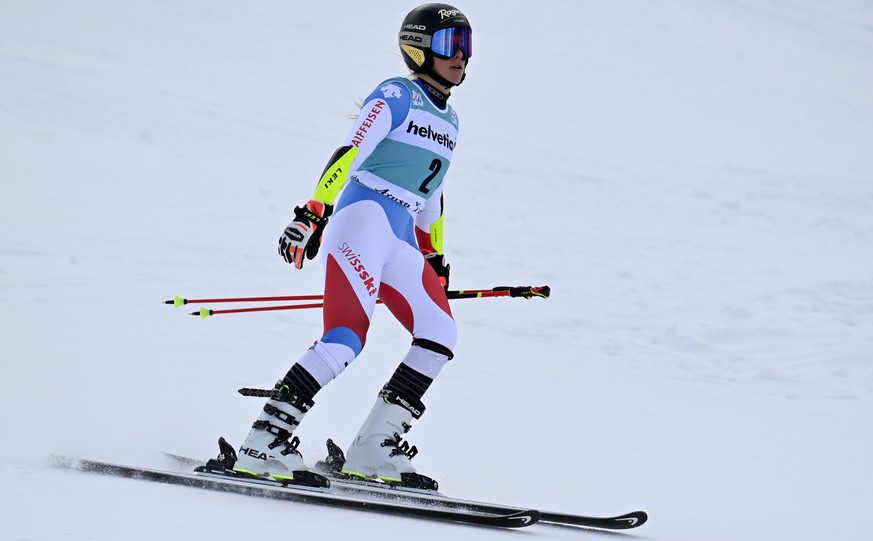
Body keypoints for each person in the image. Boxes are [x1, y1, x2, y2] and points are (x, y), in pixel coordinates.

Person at [226, 4, 473, 489]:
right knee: (345, 339)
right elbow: (350, 150)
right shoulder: (395, 94)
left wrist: (433, 255)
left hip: (400, 235)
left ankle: (373, 449)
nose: (460, 57)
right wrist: (313, 211)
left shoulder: (452, 119)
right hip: (362, 220)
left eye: (467, 46)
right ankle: (262, 442)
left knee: (440, 333)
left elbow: (432, 194)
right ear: (418, 48)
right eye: (449, 45)